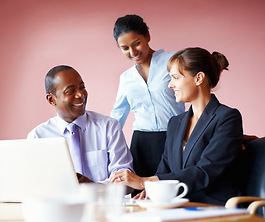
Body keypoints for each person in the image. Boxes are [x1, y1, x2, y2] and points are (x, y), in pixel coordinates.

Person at [110, 47, 243, 205]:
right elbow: (163, 171)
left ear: (199, 78)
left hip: (213, 207)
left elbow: (204, 172)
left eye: (175, 78)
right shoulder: (175, 123)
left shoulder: (227, 118)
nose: (170, 85)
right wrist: (153, 190)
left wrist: (144, 182)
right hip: (178, 208)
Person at [27, 65, 134, 183]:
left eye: (82, 87)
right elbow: (34, 182)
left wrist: (95, 188)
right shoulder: (38, 137)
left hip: (103, 201)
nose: (80, 95)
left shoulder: (108, 127)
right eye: (70, 91)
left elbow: (127, 180)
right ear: (52, 100)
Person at [111, 14, 185, 181]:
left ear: (148, 36)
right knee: (142, 198)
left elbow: (196, 93)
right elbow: (117, 117)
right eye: (125, 48)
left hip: (174, 137)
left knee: (176, 190)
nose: (133, 52)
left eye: (137, 43)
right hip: (142, 144)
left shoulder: (173, 61)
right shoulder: (126, 78)